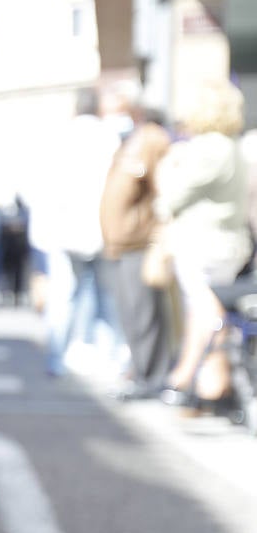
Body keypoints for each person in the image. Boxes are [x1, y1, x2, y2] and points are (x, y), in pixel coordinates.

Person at [156, 80, 251, 413]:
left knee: (204, 311)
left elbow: (171, 197)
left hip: (204, 242)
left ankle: (189, 378)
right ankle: (207, 382)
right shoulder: (233, 146)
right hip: (228, 241)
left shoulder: (207, 148)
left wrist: (168, 166)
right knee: (211, 311)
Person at [34, 88, 124, 377]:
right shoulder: (110, 138)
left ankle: (55, 359)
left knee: (64, 297)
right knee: (105, 297)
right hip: (102, 230)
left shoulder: (61, 137)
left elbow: (46, 189)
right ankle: (108, 359)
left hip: (66, 230)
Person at [99, 99, 173, 400]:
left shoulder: (152, 139)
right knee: (132, 313)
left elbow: (164, 187)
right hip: (122, 244)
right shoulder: (133, 141)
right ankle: (142, 371)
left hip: (139, 242)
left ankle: (150, 376)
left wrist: (158, 232)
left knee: (144, 314)